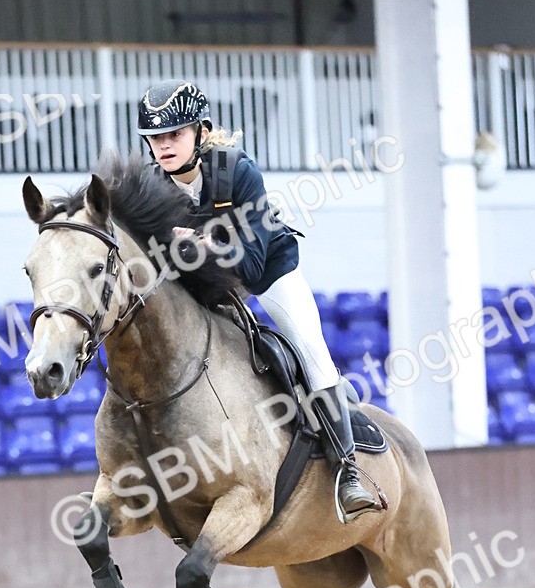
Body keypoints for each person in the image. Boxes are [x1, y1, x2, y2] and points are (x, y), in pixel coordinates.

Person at [137, 78, 377, 522]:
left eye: (174, 135)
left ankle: (348, 471)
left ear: (201, 132)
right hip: (203, 280)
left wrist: (201, 241)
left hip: (267, 269)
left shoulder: (236, 172)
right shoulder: (151, 188)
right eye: (155, 138)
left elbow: (248, 267)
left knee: (310, 349)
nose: (163, 146)